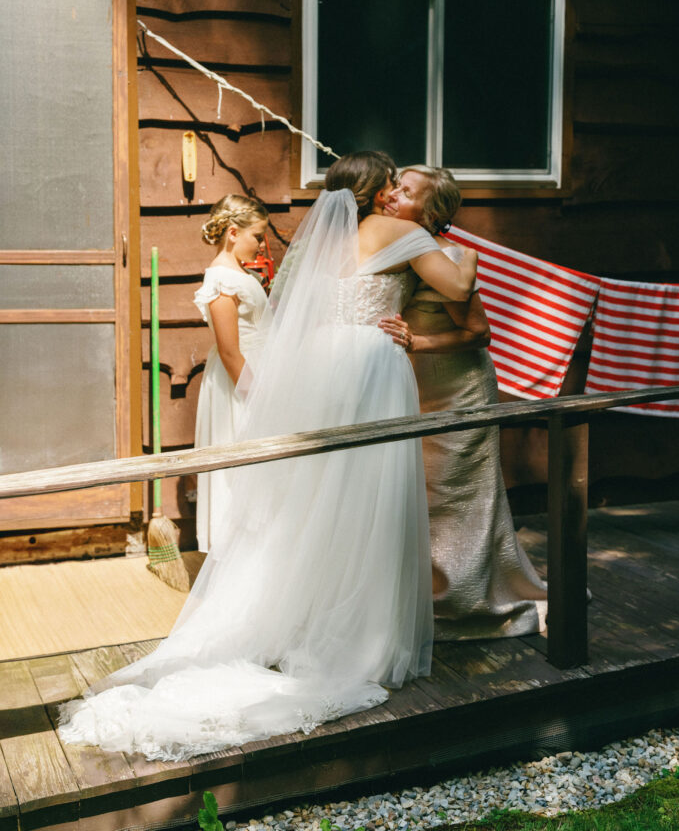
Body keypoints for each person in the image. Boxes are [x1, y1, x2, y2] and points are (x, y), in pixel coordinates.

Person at [59, 151, 477, 761]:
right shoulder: (406, 232)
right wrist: (458, 250)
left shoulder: (319, 244)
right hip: (371, 365)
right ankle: (357, 634)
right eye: (390, 183)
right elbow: (460, 287)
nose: (393, 193)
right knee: (367, 503)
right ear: (373, 190)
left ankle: (300, 621)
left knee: (313, 502)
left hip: (320, 367)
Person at [378, 165, 547, 640]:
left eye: (405, 192)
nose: (392, 195)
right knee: (420, 495)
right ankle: (424, 591)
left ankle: (463, 601)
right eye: (393, 186)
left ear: (430, 212)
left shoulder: (447, 256)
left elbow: (480, 334)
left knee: (453, 498)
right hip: (413, 391)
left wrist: (417, 344)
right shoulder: (396, 247)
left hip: (459, 392)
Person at [194, 194, 270, 552]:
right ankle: (237, 549)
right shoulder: (221, 280)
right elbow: (228, 350)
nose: (262, 243)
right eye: (258, 235)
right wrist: (257, 395)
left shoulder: (240, 273)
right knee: (239, 463)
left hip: (259, 368)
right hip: (239, 380)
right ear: (233, 233)